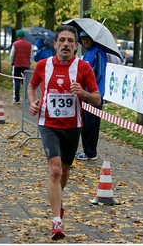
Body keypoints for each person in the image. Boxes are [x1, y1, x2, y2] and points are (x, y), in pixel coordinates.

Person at [27, 25, 101, 240]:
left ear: (76, 46)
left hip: (73, 126)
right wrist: (33, 104)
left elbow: (97, 99)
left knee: (65, 171)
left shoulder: (84, 68)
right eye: (63, 40)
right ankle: (56, 221)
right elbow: (32, 87)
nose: (66, 44)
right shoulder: (43, 65)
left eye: (71, 41)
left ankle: (58, 201)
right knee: (55, 171)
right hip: (48, 124)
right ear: (55, 43)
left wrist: (83, 93)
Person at [75, 31, 108, 161]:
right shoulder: (88, 52)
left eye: (87, 39)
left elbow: (98, 73)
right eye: (82, 39)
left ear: (92, 38)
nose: (85, 42)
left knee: (92, 125)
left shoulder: (98, 52)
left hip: (94, 95)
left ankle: (91, 152)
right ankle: (86, 150)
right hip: (85, 94)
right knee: (85, 124)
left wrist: (89, 86)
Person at [9, 29, 33, 104]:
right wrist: (29, 63)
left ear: (18, 36)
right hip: (26, 65)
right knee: (26, 83)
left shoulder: (15, 44)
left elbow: (12, 55)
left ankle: (16, 99)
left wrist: (11, 62)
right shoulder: (29, 44)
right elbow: (31, 55)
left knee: (16, 82)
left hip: (17, 65)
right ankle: (26, 99)